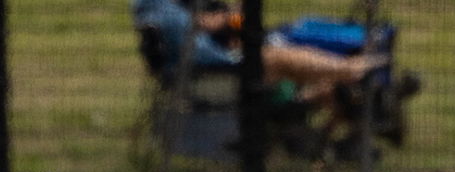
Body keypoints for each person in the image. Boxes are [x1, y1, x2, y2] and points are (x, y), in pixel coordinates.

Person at [131, 0, 383, 107]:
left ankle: (344, 79)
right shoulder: (166, 12)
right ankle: (351, 72)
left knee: (284, 48)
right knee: (278, 56)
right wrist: (235, 52)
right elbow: (202, 53)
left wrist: (224, 25)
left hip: (207, 67)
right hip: (208, 75)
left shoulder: (160, 8)